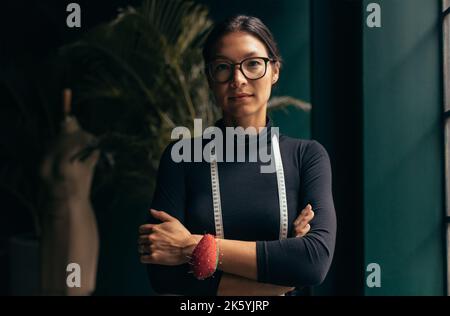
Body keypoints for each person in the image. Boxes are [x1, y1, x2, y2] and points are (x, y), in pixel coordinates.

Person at [138, 15, 336, 296]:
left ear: (275, 70)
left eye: (253, 64)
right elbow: (163, 274)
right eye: (223, 67)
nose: (238, 79)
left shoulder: (307, 157)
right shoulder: (181, 158)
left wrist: (190, 247)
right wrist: (277, 280)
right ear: (210, 79)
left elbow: (313, 261)